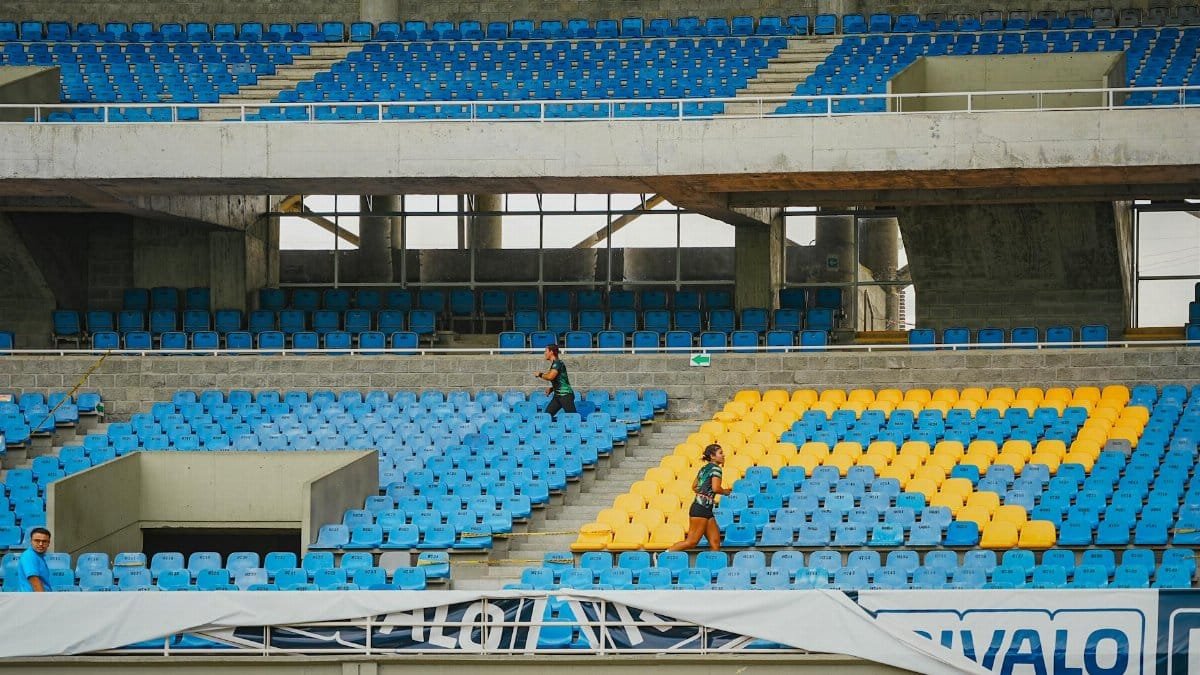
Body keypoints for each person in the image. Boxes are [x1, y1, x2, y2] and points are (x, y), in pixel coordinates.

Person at [668, 444, 732, 552]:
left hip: (704, 508)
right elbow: (716, 488)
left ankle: (714, 562)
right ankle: (663, 556)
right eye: (720, 453)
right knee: (691, 542)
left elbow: (694, 486)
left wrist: (705, 494)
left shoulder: (704, 469)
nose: (723, 455)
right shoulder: (716, 469)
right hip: (701, 509)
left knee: (715, 543)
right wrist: (725, 492)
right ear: (712, 456)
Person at [534, 344, 575, 419]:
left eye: (546, 351)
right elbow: (560, 380)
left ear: (551, 352)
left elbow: (550, 377)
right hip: (557, 396)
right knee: (547, 417)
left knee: (573, 418)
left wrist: (540, 374)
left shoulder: (557, 363)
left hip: (565, 395)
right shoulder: (555, 364)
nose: (544, 353)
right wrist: (552, 388)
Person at [18, 527, 52, 592]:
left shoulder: (39, 556)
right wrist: (44, 598)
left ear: (48, 543)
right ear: (31, 541)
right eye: (37, 541)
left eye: (44, 541)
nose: (41, 544)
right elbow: (35, 581)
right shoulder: (29, 555)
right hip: (34, 597)